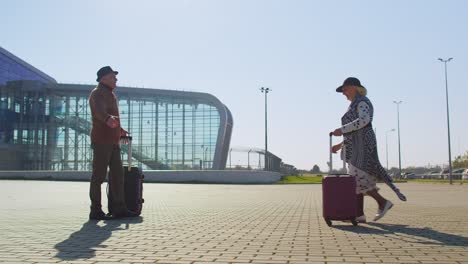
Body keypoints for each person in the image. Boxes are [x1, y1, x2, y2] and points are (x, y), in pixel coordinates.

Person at [330, 77, 406, 222]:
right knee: (356, 181)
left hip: (363, 147)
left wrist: (342, 129)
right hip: (355, 147)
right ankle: (358, 215)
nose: (343, 93)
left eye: (345, 89)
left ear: (354, 87)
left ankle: (382, 202)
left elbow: (364, 121)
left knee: (357, 179)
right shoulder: (353, 104)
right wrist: (341, 144)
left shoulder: (362, 102)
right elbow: (353, 132)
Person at [88, 66, 138, 220]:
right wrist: (107, 119)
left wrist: (120, 131)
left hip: (113, 141)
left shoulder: (110, 94)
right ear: (103, 79)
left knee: (118, 175)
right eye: (112, 77)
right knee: (99, 176)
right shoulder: (97, 93)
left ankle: (119, 208)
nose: (116, 80)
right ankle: (95, 210)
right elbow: (99, 111)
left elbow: (112, 118)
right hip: (102, 141)